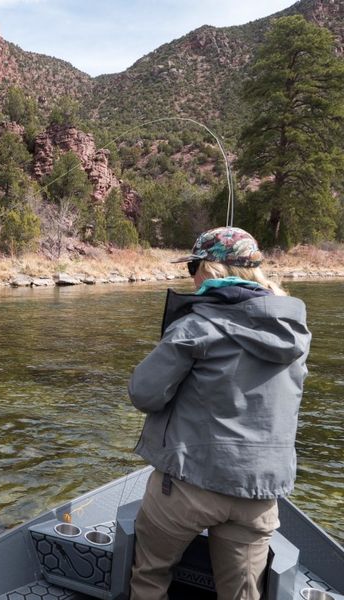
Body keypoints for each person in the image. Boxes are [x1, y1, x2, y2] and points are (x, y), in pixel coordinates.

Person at [127, 226, 312, 600]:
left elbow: (143, 394)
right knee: (242, 594)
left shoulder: (195, 326)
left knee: (150, 576)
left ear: (209, 270)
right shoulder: (296, 332)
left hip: (188, 485)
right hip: (259, 492)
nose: (190, 274)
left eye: (193, 265)